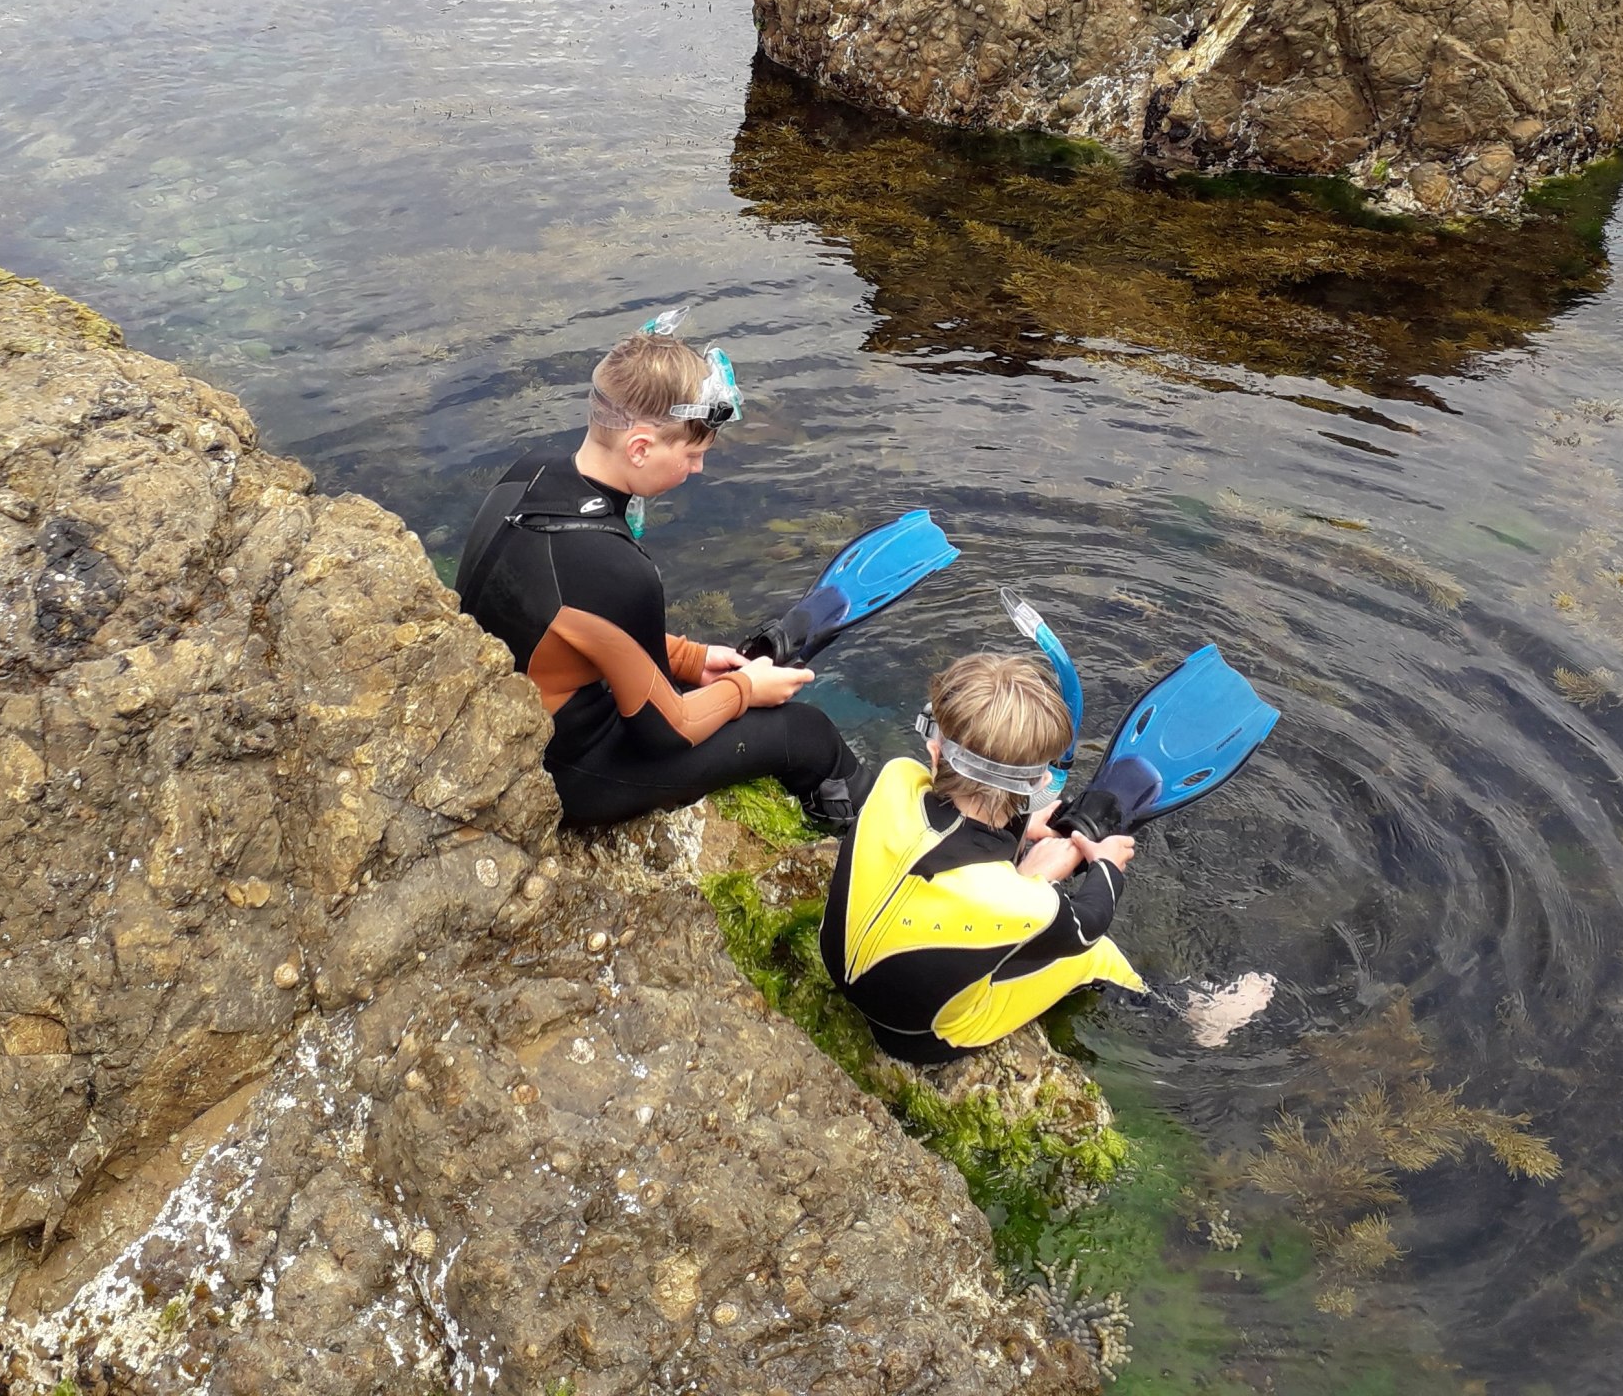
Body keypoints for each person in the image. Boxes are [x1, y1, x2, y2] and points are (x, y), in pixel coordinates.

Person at [455, 313, 867, 830]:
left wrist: (692, 659)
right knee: (806, 735)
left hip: (503, 715)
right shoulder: (616, 568)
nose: (697, 470)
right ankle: (850, 840)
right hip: (566, 771)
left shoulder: (530, 471)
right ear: (641, 447)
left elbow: (566, 622)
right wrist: (747, 691)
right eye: (692, 454)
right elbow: (666, 731)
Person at [821, 652, 1143, 1063]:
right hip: (916, 1036)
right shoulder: (1026, 905)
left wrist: (1023, 832)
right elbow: (1088, 925)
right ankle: (1179, 1009)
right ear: (1041, 784)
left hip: (838, 966)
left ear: (936, 752)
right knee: (1098, 957)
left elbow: (953, 832)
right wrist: (1104, 865)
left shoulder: (896, 780)